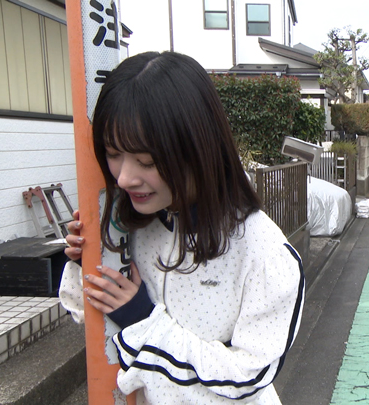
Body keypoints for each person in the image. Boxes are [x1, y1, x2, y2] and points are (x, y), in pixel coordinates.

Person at [59, 51, 305, 404]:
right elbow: (88, 317)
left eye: (146, 161)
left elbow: (247, 376)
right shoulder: (127, 224)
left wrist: (143, 321)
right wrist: (89, 260)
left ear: (198, 148)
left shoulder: (263, 251)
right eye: (113, 154)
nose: (125, 178)